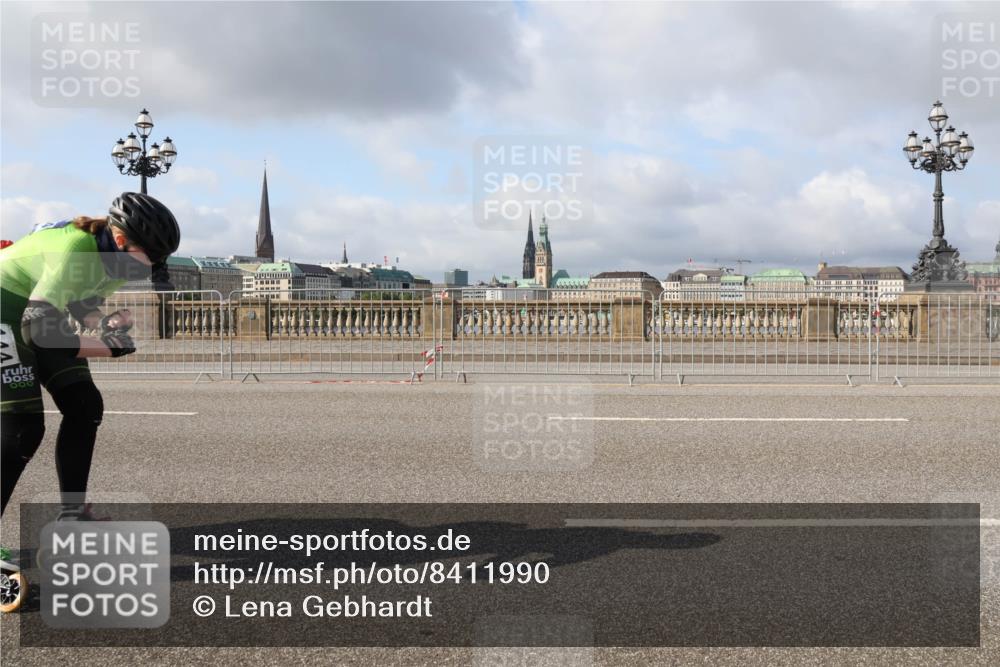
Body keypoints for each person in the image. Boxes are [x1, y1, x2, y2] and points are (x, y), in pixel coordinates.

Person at [0, 192, 180, 612]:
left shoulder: (117, 258)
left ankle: (72, 515)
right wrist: (108, 347)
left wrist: (105, 323)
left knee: (85, 406)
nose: (154, 264)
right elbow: (36, 332)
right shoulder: (75, 249)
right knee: (22, 428)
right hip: (4, 309)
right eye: (150, 255)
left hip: (33, 311)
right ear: (119, 239)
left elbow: (79, 301)